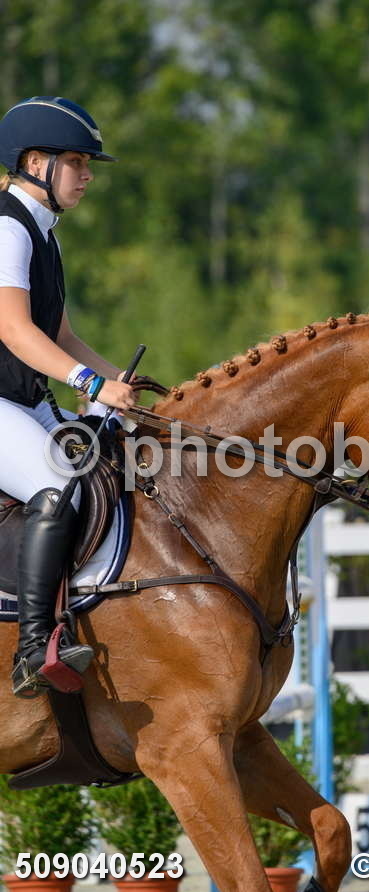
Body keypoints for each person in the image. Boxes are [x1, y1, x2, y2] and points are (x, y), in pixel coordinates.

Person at [0, 96, 136, 697]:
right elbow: (14, 331)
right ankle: (33, 649)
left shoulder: (44, 234)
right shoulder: (7, 227)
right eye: (77, 162)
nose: (86, 176)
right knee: (57, 484)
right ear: (36, 163)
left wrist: (125, 385)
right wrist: (89, 384)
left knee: (115, 461)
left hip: (22, 400)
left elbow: (61, 337)